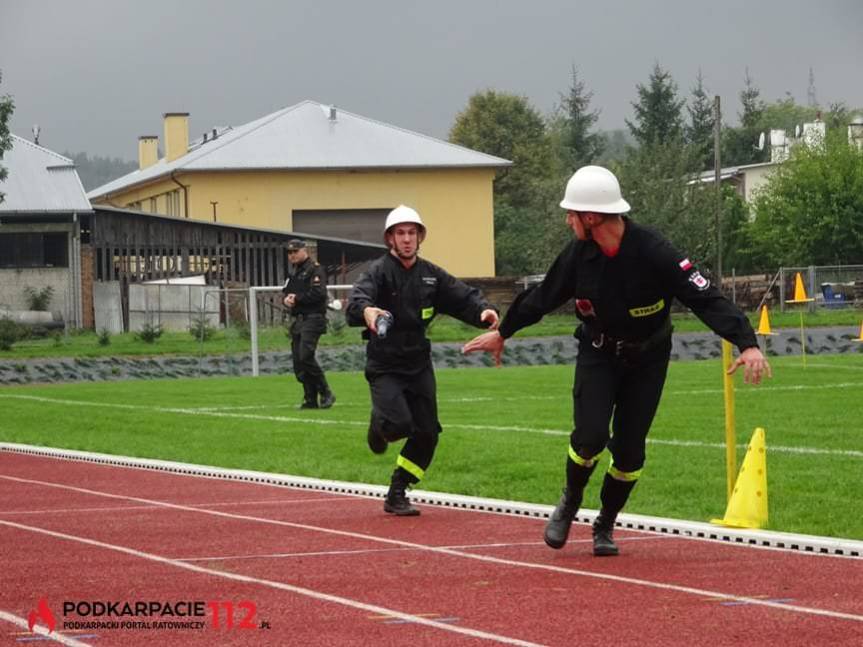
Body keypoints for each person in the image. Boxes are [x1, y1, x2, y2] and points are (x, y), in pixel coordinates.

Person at [463, 165, 771, 556]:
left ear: (591, 218)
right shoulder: (579, 255)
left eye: (572, 213)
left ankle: (605, 523)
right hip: (599, 353)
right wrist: (503, 332)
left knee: (629, 454)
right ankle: (570, 500)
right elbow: (544, 295)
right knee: (590, 437)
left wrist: (748, 343)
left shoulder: (655, 252)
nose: (567, 220)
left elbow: (705, 297)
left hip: (648, 359)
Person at [346, 205, 499, 516]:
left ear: (419, 237)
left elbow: (463, 296)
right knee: (400, 424)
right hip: (385, 364)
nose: (406, 239)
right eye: (400, 233)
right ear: (390, 238)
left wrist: (483, 312)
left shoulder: (431, 275)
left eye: (411, 233)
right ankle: (381, 425)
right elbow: (357, 300)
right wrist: (367, 312)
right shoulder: (377, 272)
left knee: (428, 433)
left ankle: (398, 490)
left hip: (418, 363)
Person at [282, 238, 335, 409]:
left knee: (305, 356)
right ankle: (310, 399)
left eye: (295, 251)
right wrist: (287, 300)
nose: (292, 255)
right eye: (289, 253)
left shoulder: (315, 269)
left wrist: (297, 298)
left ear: (304, 251)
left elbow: (319, 294)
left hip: (313, 318)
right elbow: (286, 293)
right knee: (299, 363)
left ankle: (325, 392)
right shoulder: (295, 272)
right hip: (299, 320)